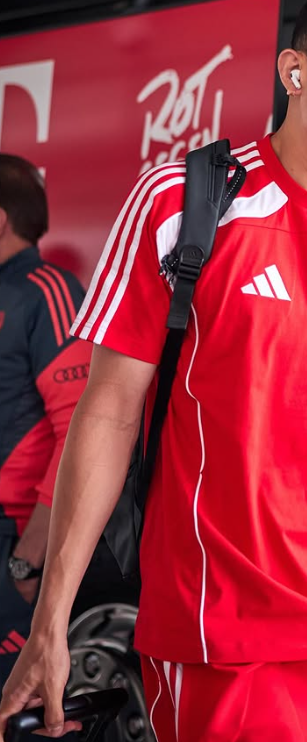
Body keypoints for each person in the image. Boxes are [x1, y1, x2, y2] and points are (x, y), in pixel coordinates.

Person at [0, 0, 307, 742]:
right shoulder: (183, 202)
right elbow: (107, 412)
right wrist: (51, 620)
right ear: (295, 70)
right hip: (228, 635)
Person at [0, 155, 91, 693]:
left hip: (14, 540)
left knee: (19, 713)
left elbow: (81, 424)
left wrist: (31, 554)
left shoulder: (46, 289)